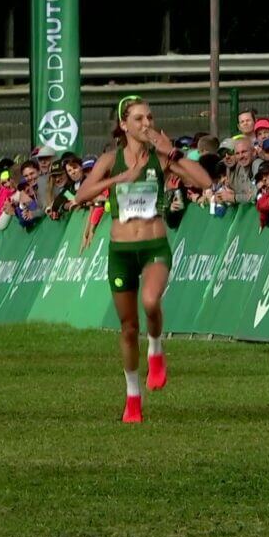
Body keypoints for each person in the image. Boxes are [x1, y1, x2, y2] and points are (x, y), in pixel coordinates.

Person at [75, 95, 211, 424]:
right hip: (121, 252)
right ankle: (133, 398)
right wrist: (119, 179)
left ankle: (156, 348)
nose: (146, 124)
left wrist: (171, 150)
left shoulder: (160, 158)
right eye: (138, 119)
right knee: (126, 328)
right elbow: (82, 195)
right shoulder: (110, 160)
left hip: (154, 246)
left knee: (151, 302)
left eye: (149, 117)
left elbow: (205, 181)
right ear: (124, 125)